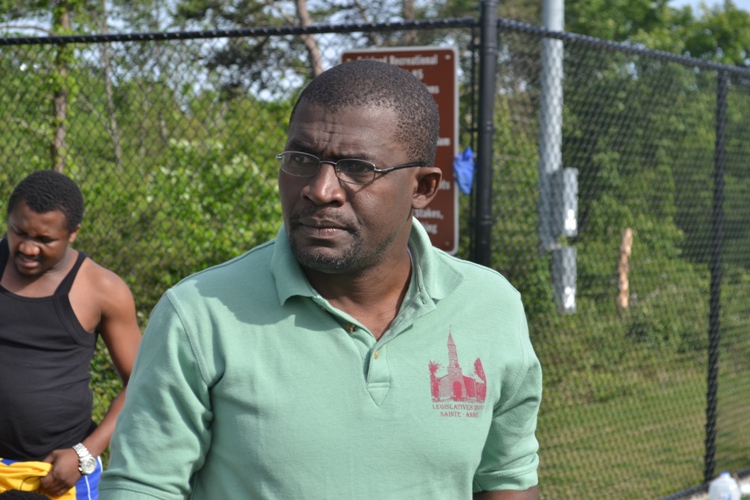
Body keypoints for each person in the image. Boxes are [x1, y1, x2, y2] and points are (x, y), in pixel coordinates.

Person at [100, 59, 542, 499]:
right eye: (301, 159)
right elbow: (143, 486)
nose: (320, 189)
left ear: (423, 188)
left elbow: (505, 479)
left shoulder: (489, 306)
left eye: (357, 167)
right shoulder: (199, 314)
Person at [0, 170, 142, 500]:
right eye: (18, 232)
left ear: (73, 233)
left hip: (59, 475)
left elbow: (141, 382)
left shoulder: (102, 290)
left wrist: (84, 454)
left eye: (45, 240)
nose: (28, 248)